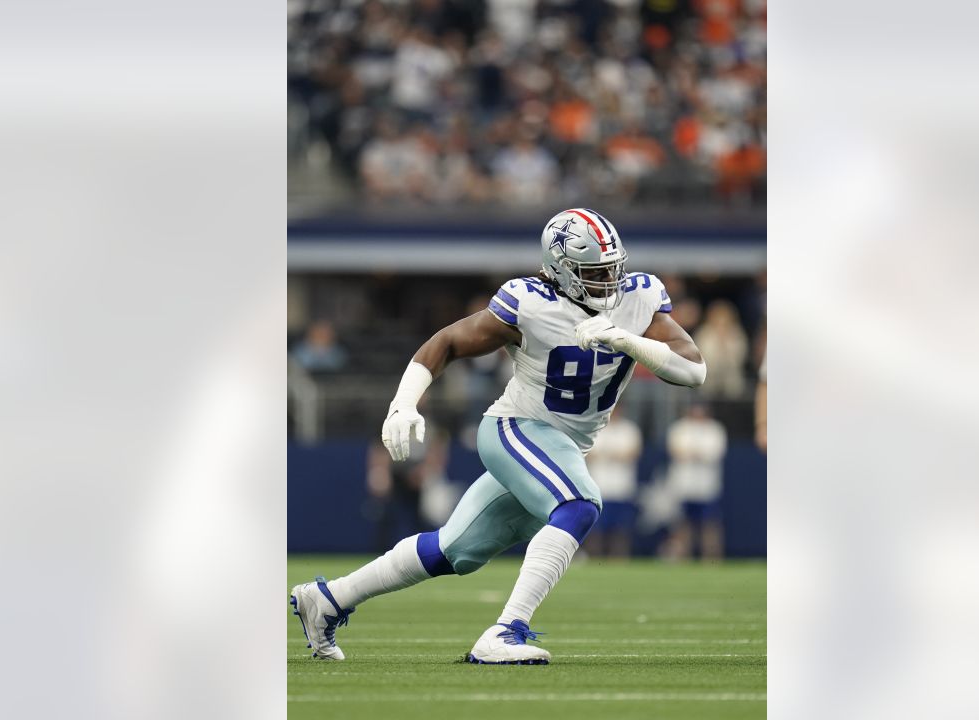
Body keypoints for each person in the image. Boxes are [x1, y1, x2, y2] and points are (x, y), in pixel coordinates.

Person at [290, 209, 707, 664]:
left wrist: (627, 340)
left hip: (562, 448)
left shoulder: (639, 297)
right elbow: (447, 342)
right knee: (578, 505)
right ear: (563, 271)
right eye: (595, 272)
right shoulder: (529, 302)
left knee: (455, 551)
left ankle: (328, 598)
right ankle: (506, 631)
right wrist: (402, 404)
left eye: (613, 268)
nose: (610, 281)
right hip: (516, 429)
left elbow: (693, 370)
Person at [662, 403, 729, 561]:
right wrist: (696, 453)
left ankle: (711, 560)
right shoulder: (679, 428)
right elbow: (675, 451)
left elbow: (715, 453)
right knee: (683, 525)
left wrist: (693, 453)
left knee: (709, 525)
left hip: (707, 487)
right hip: (683, 486)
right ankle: (684, 558)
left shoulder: (715, 429)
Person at [583, 406, 643, 558]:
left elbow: (633, 452)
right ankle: (594, 556)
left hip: (621, 486)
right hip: (598, 486)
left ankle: (619, 557)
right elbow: (587, 453)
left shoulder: (629, 429)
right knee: (596, 527)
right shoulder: (594, 427)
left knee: (621, 528)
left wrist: (608, 454)